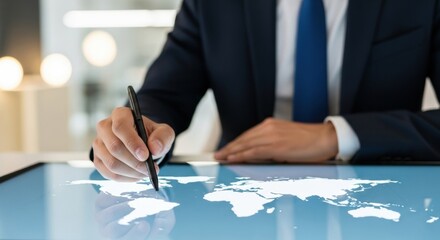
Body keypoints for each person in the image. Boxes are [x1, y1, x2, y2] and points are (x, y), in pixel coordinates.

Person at [92, 0, 440, 182]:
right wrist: (140, 135)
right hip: (242, 198)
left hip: (382, 197)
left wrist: (335, 137)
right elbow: (164, 95)